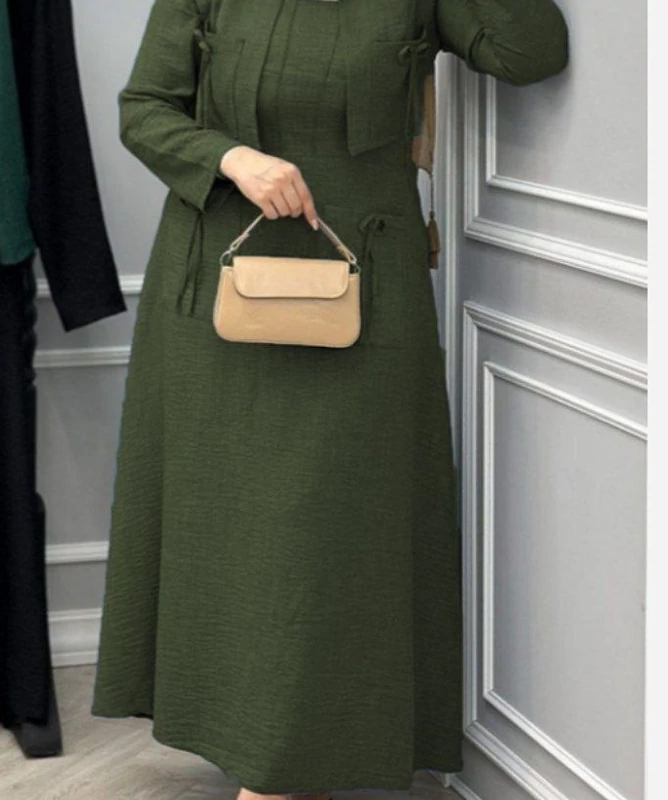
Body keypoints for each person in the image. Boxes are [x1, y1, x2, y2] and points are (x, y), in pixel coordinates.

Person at [91, 1, 569, 798]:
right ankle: (268, 759)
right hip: (219, 288)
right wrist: (233, 159)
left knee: (332, 535)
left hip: (366, 291)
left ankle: (288, 768)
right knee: (231, 535)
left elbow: (532, 50)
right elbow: (144, 108)